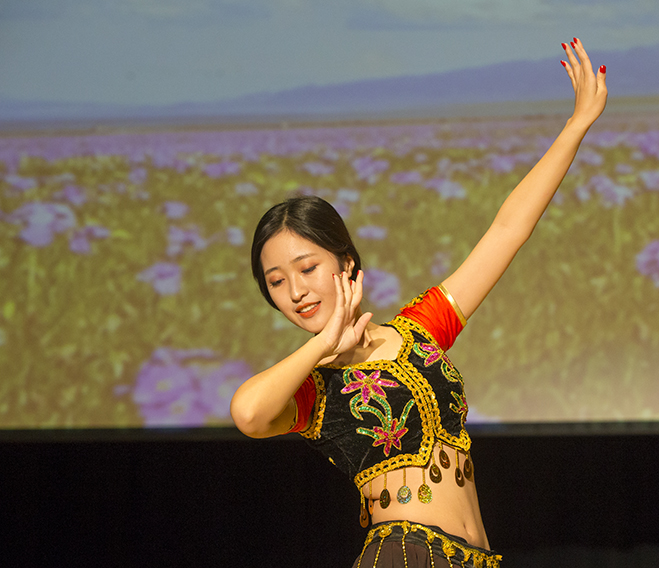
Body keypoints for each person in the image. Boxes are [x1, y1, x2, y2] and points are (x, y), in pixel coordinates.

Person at [231, 38, 607, 567]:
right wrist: (322, 347)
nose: (294, 290)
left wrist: (577, 125)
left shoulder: (419, 330)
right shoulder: (313, 385)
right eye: (275, 281)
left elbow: (506, 231)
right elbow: (247, 413)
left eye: (307, 268)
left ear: (345, 263)